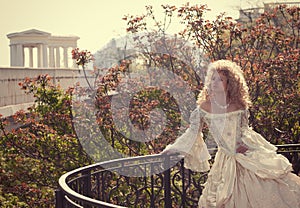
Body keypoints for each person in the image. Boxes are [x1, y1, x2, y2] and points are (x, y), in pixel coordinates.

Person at [162, 59, 300, 208]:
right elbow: (192, 133)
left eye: (220, 79)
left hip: (245, 156)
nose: (214, 82)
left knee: (264, 190)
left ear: (230, 83)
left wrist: (246, 145)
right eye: (213, 79)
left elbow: (244, 131)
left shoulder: (238, 106)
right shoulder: (204, 107)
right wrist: (174, 149)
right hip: (225, 159)